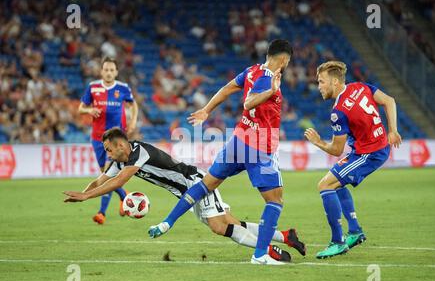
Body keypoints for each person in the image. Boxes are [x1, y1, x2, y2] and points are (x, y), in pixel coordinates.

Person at [148, 39, 294, 265]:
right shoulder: (268, 79)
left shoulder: (252, 71)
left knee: (206, 184)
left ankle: (167, 222)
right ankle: (260, 255)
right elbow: (248, 103)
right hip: (260, 145)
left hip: (239, 139)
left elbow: (227, 90)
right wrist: (271, 91)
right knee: (275, 201)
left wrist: (206, 110)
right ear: (284, 60)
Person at [63, 128, 306, 262]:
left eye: (108, 149)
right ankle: (285, 236)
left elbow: (120, 181)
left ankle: (267, 251)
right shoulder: (120, 161)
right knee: (228, 223)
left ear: (120, 145)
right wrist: (83, 194)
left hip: (196, 182)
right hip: (185, 192)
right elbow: (101, 179)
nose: (107, 154)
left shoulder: (140, 152)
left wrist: (86, 197)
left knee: (218, 227)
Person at [304, 61, 402, 259]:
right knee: (336, 184)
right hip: (375, 146)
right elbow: (389, 100)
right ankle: (355, 231)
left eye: (321, 82)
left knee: (325, 185)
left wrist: (317, 142)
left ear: (334, 82)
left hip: (369, 153)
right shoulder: (360, 87)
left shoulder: (338, 111)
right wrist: (393, 130)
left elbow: (336, 149)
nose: (319, 87)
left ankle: (337, 241)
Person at [79, 57, 139, 224]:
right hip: (97, 139)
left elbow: (133, 105)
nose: (109, 72)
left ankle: (101, 213)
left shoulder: (123, 88)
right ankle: (125, 197)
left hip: (116, 140)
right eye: (106, 69)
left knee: (106, 174)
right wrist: (89, 110)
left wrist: (133, 121)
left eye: (112, 70)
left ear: (116, 72)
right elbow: (80, 108)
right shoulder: (93, 87)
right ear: (101, 71)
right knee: (105, 175)